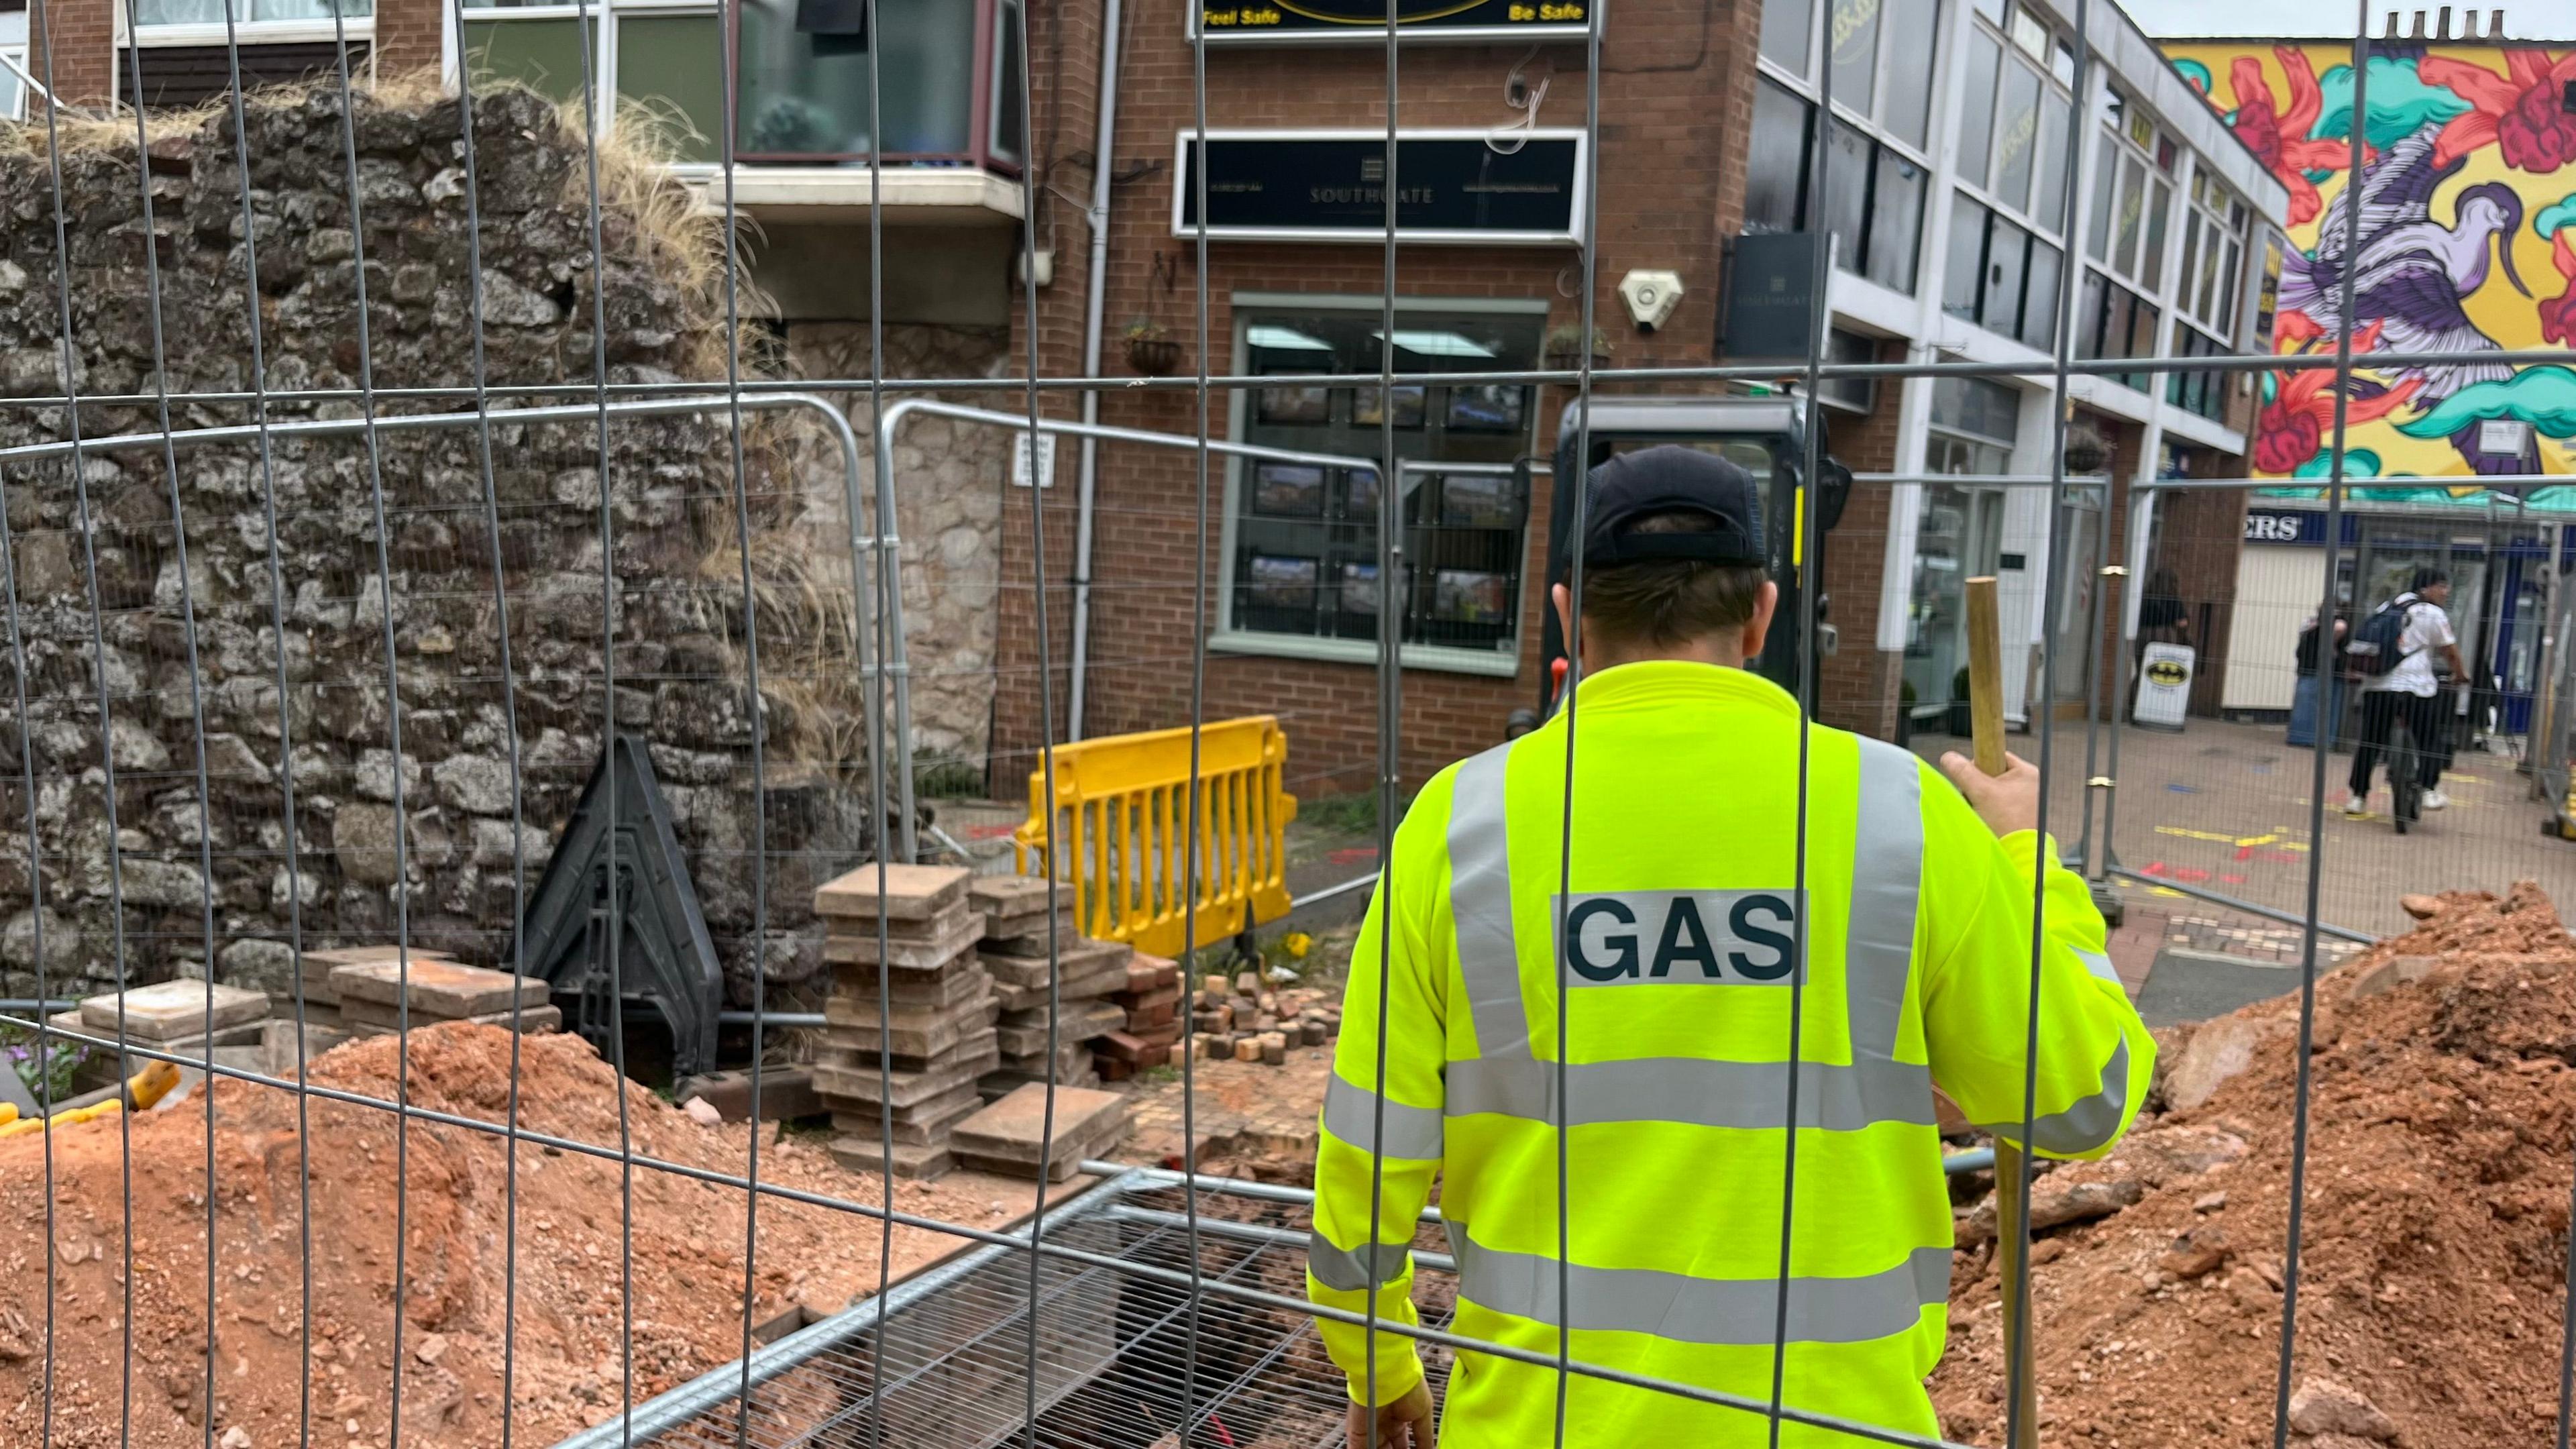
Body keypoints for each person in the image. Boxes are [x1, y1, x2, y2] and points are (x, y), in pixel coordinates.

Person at [1305, 446, 2155, 1449]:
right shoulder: (1899, 814)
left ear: (1572, 613)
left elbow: (1369, 1146)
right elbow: (2081, 1095)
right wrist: (2028, 860)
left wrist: (1378, 1360)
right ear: (1761, 611)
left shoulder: (1459, 825)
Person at [2345, 568, 2467, 818]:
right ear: (2425, 588)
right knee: (2429, 739)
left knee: (2370, 741)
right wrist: (2460, 675)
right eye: (2441, 586)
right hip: (2417, 688)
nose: (2446, 592)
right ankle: (2429, 789)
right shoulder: (2432, 614)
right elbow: (2450, 652)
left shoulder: (2389, 606)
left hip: (2378, 687)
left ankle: (2358, 797)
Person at [2285, 610, 2347, 750]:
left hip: (2307, 668)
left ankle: (2299, 737)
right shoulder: (2337, 623)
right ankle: (2321, 740)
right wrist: (2332, 647)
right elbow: (2340, 627)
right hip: (2324, 671)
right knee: (2324, 706)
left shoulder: (2310, 625)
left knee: (2305, 705)